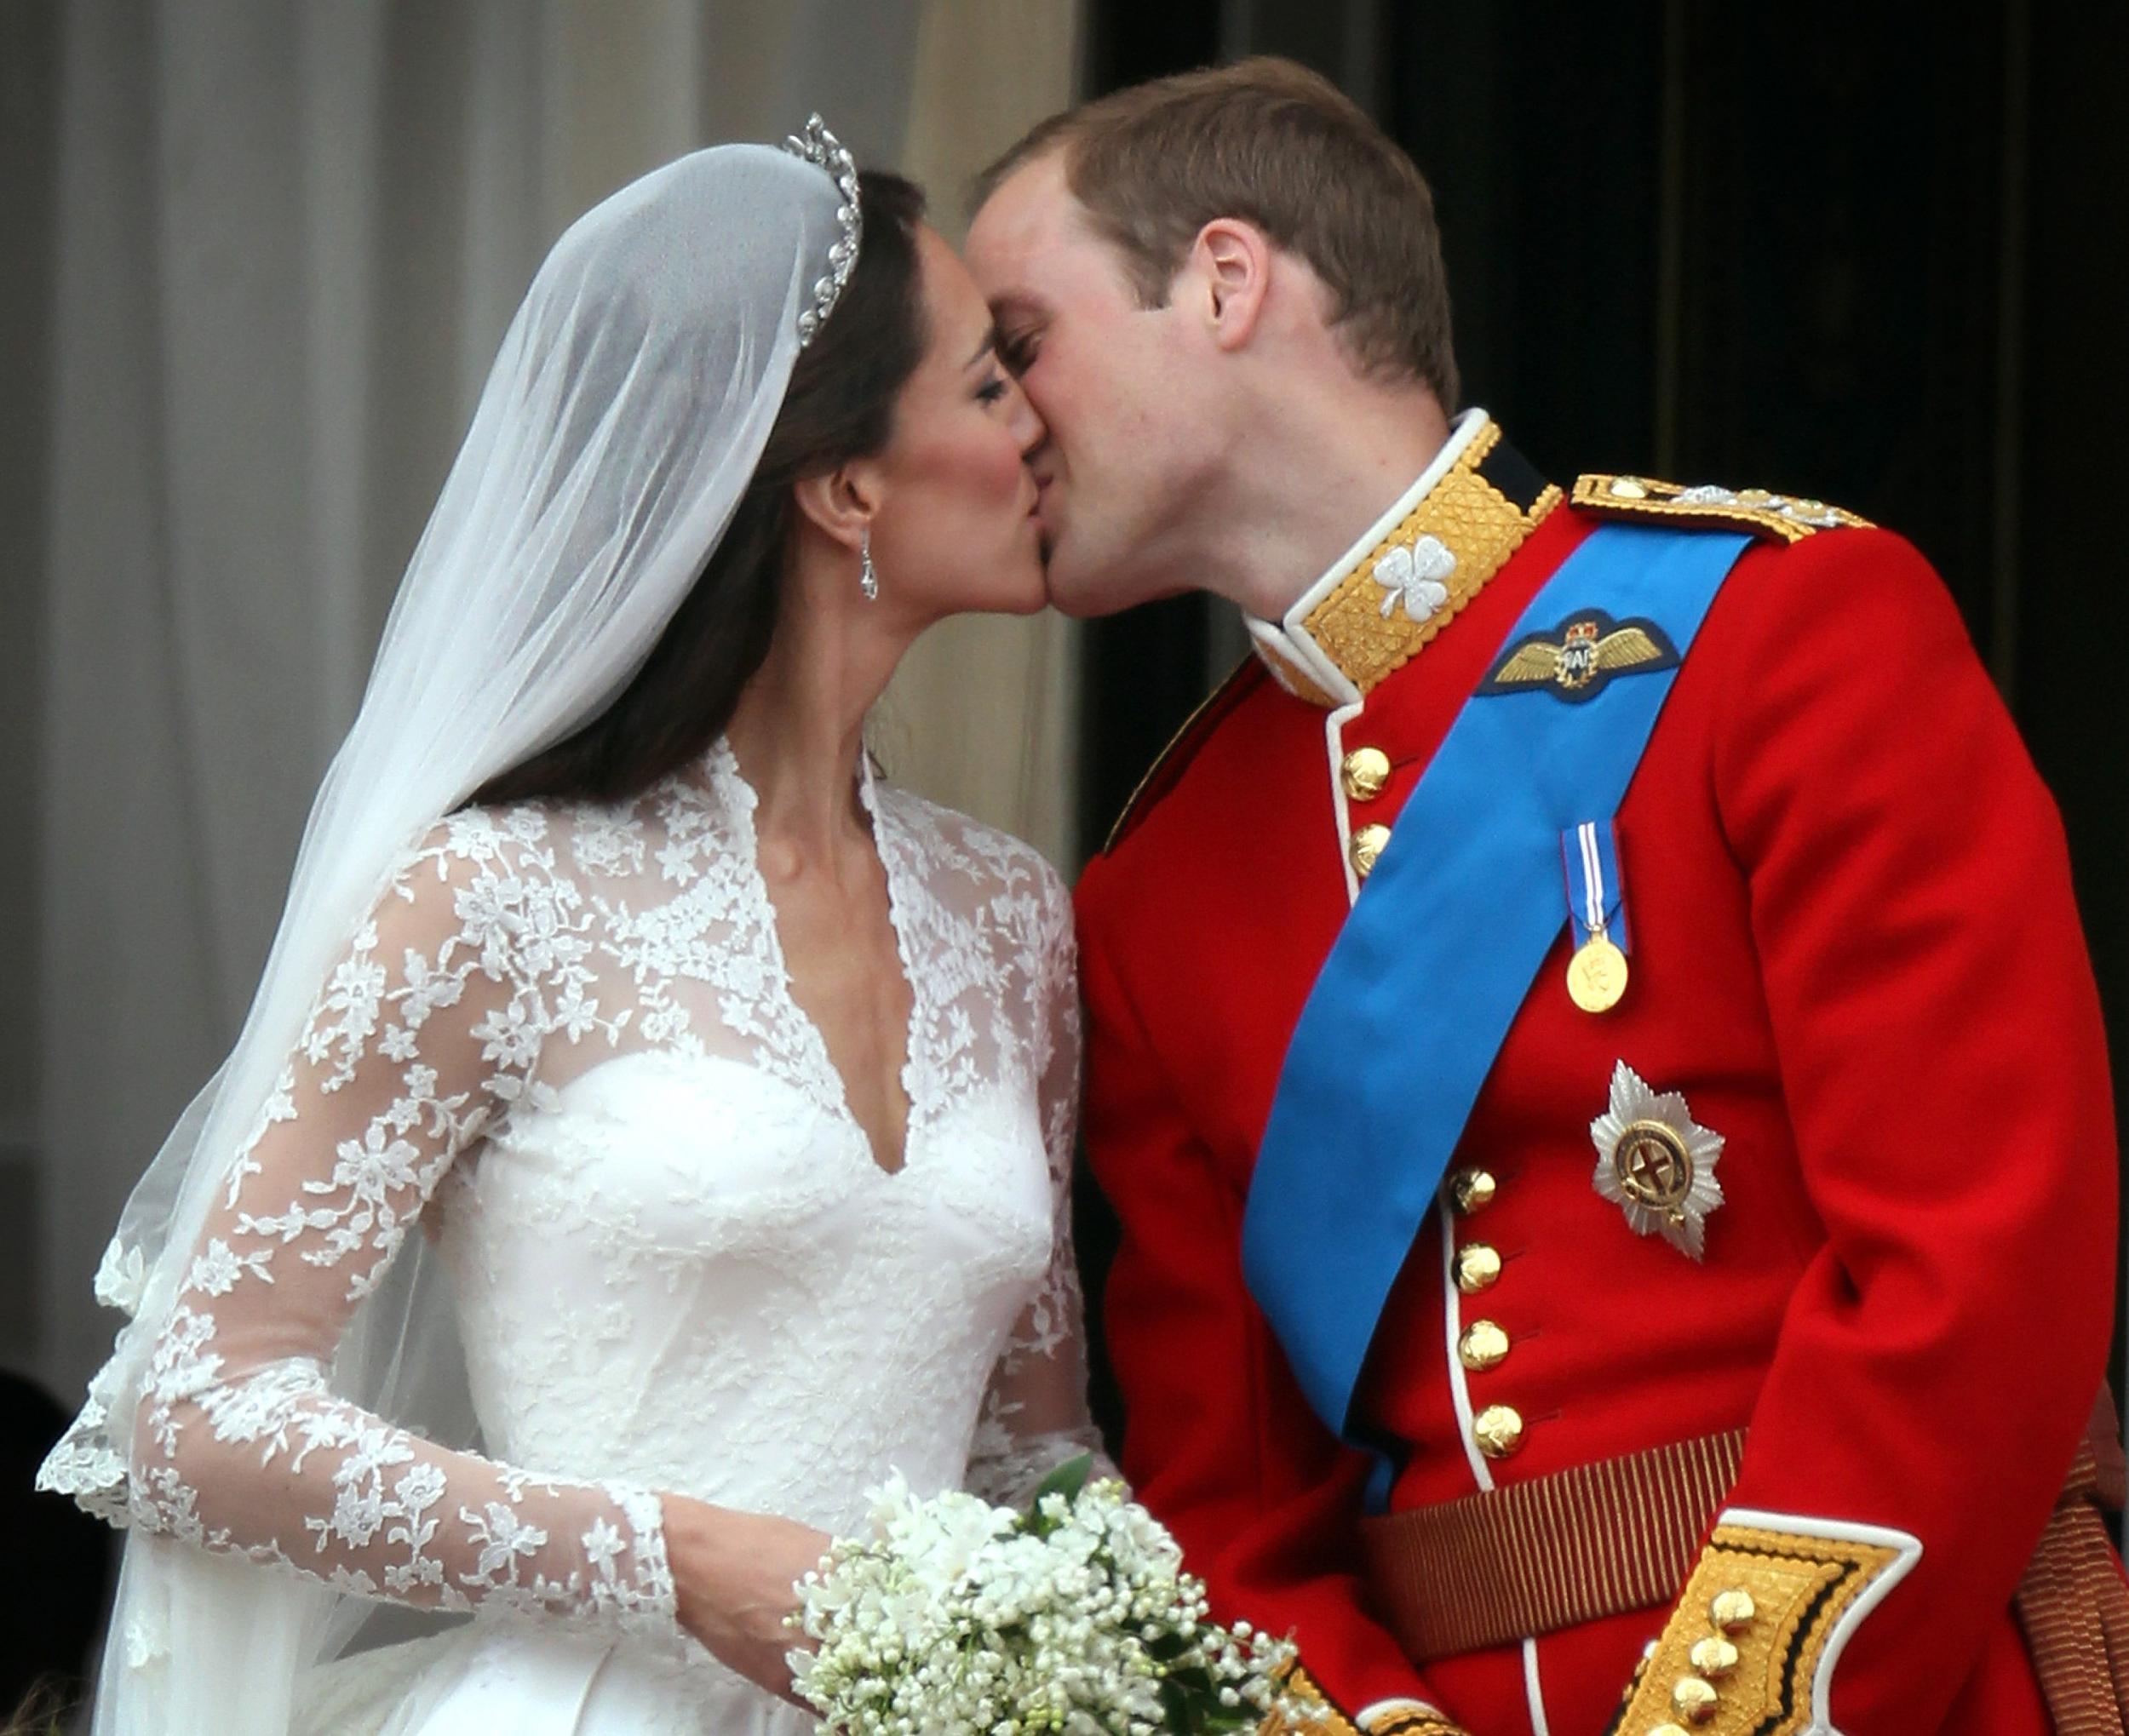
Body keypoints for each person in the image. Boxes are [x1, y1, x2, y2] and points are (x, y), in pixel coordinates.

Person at [966, 56, 2126, 1736]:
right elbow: (1226, 1510)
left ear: (1222, 280)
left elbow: (1974, 1276)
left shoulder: (1782, 634)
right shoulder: (1158, 886)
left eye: (1021, 341)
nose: (997, 417)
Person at [39, 124, 1108, 1735]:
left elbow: (1032, 1448)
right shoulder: (491, 901)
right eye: (985, 387)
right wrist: (663, 1555)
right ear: (841, 486)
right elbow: (192, 1416)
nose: (1041, 428)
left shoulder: (1013, 917)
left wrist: (1184, 1667)